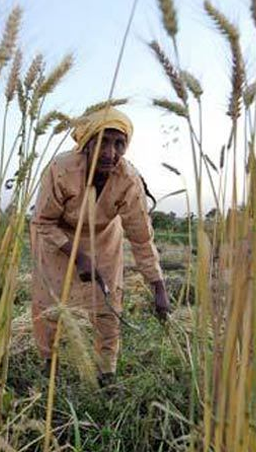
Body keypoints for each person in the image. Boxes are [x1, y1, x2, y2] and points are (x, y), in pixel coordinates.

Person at [30, 107, 170, 387]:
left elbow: (141, 237)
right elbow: (43, 222)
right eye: (103, 142)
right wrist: (78, 257)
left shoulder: (128, 179)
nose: (111, 152)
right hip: (57, 239)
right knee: (50, 306)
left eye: (119, 144)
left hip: (104, 240)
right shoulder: (61, 170)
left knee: (107, 306)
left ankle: (107, 375)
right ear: (87, 142)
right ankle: (50, 367)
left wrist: (158, 286)